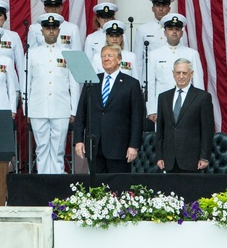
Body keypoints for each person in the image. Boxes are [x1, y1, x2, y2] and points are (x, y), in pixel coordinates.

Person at [73, 44, 144, 173]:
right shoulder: (91, 81)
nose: (106, 59)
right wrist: (78, 140)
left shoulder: (131, 84)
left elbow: (137, 118)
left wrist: (134, 145)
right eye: (103, 56)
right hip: (94, 146)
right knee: (96, 188)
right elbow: (81, 113)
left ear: (119, 59)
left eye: (110, 55)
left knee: (118, 188)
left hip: (119, 147)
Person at [26, 13, 80, 174]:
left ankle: (57, 182)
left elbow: (74, 83)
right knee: (41, 148)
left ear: (59, 30)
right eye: (47, 28)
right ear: (41, 31)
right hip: (38, 107)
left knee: (58, 149)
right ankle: (43, 181)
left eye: (54, 28)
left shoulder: (68, 53)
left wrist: (73, 109)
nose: (51, 31)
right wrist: (27, 109)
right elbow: (26, 83)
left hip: (61, 107)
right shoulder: (31, 53)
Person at [155, 58, 214, 172]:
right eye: (178, 73)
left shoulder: (202, 97)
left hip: (192, 159)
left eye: (184, 73)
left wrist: (204, 157)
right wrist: (159, 156)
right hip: (169, 159)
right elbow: (160, 130)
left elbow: (207, 130)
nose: (181, 76)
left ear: (191, 74)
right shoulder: (164, 98)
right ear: (173, 74)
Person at [146, 13, 204, 122]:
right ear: (165, 32)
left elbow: (198, 83)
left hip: (187, 105)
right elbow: (150, 84)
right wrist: (152, 110)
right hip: (162, 106)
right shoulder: (154, 54)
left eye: (177, 29)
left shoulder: (192, 54)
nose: (174, 32)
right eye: (170, 29)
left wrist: (199, 106)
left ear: (182, 33)